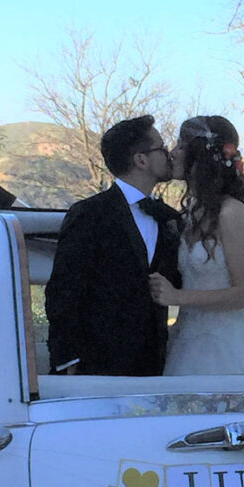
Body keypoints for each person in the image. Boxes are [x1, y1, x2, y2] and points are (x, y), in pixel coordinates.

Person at [45, 115, 180, 376]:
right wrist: (68, 359)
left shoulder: (169, 218)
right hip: (96, 366)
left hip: (154, 367)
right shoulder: (89, 214)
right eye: (162, 149)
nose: (168, 155)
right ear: (141, 160)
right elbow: (64, 290)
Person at [148, 115, 244, 375]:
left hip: (228, 347)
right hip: (186, 339)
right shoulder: (189, 214)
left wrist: (177, 297)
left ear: (200, 156)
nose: (172, 153)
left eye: (180, 146)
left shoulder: (232, 212)